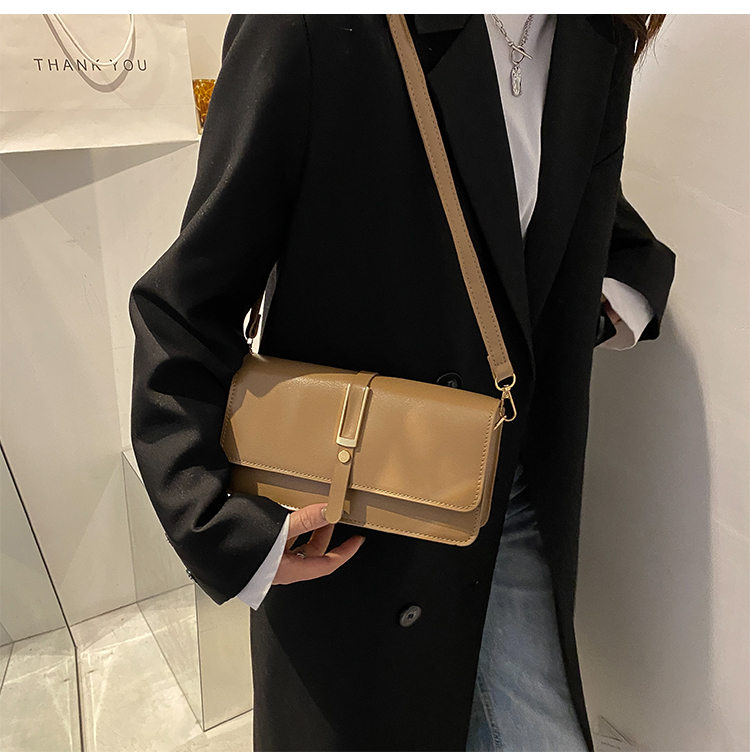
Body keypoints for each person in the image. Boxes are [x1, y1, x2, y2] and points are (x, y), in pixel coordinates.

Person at [129, 14, 675, 751]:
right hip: (353, 508)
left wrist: (618, 289)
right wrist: (214, 521)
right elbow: (189, 299)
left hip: (510, 495)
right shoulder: (315, 26)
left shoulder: (591, 33)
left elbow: (540, 193)